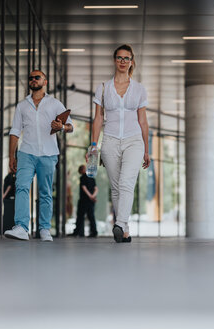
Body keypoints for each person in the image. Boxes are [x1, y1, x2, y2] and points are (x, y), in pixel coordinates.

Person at [87, 44, 150, 243]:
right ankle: (124, 230)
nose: (123, 61)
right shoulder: (103, 87)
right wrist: (93, 145)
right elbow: (98, 118)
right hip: (110, 141)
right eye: (119, 58)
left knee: (126, 183)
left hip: (134, 140)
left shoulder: (139, 89)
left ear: (132, 62)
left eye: (127, 58)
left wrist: (146, 150)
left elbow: (143, 121)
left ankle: (120, 223)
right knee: (116, 187)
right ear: (115, 60)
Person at [4, 70, 73, 241]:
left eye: (37, 77)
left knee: (45, 192)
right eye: (31, 78)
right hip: (26, 152)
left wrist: (61, 127)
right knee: (21, 187)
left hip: (48, 154)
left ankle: (44, 229)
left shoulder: (55, 103)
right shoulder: (22, 106)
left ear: (45, 81)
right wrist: (12, 156)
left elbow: (70, 126)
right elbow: (14, 132)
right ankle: (21, 227)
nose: (33, 80)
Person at [72, 165, 98, 237]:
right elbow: (96, 189)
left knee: (80, 216)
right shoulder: (92, 178)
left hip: (84, 200)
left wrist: (90, 196)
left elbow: (84, 188)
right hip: (91, 201)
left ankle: (77, 232)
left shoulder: (82, 178)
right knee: (91, 216)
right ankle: (94, 232)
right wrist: (93, 196)